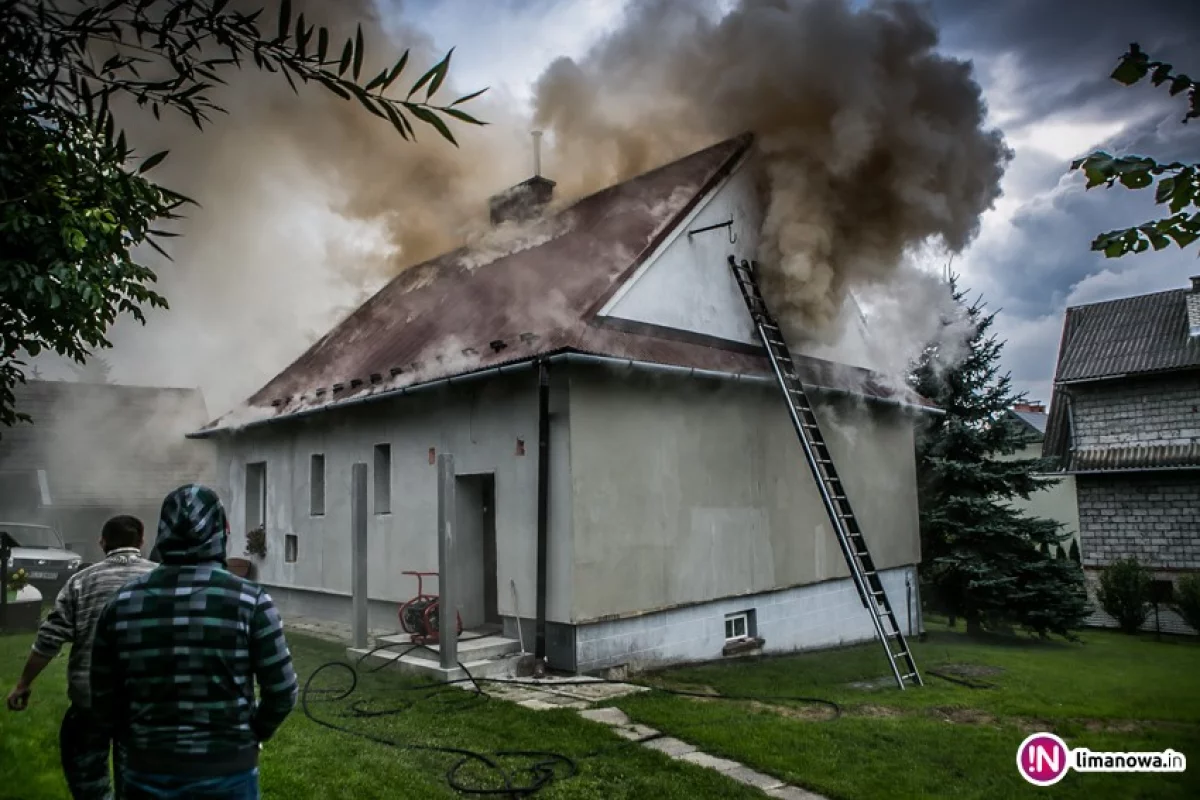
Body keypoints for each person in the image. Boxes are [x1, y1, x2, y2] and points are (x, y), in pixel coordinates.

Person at [90, 484, 298, 799]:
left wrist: (136, 739)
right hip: (228, 772)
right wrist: (252, 734)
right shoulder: (251, 601)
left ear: (163, 533)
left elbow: (103, 697)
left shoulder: (121, 604)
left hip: (146, 771)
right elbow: (282, 692)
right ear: (221, 531)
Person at [6, 515, 155, 800]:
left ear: (102, 542)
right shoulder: (160, 579)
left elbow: (49, 638)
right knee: (140, 784)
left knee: (88, 784)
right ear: (141, 541)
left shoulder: (81, 582)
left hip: (90, 701)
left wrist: (23, 684)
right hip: (145, 703)